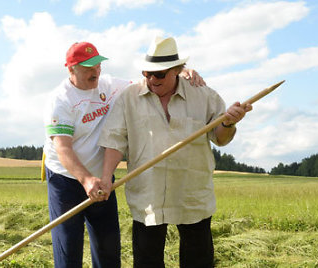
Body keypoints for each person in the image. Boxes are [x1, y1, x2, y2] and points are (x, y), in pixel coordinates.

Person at [43, 41, 205, 268]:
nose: (96, 71)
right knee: (68, 249)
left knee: (108, 249)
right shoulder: (61, 100)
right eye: (88, 67)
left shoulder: (109, 85)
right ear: (71, 69)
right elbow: (63, 148)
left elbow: (149, 82)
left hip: (103, 179)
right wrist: (85, 179)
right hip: (67, 180)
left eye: (98, 65)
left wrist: (180, 73)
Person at [98, 36, 253, 267]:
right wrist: (105, 177)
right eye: (147, 73)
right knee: (147, 261)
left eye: (159, 74)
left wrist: (229, 123)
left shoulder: (203, 95)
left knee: (197, 260)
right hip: (148, 194)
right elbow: (114, 140)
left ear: (178, 71)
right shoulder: (129, 98)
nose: (151, 79)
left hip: (192, 193)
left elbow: (220, 138)